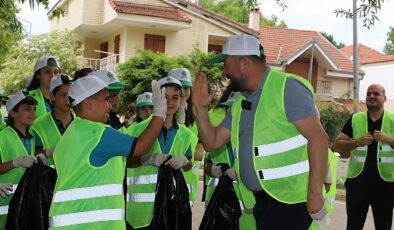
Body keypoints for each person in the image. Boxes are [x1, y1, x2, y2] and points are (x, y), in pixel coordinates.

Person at [192, 34, 329, 230]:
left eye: (226, 63)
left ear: (244, 63)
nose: (225, 71)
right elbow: (212, 142)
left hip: (289, 203)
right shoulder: (240, 101)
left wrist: (315, 193)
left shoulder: (287, 87)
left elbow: (319, 137)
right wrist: (200, 108)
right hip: (262, 203)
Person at [48, 75, 167, 229]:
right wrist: (159, 114)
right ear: (88, 103)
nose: (109, 106)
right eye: (105, 99)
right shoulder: (98, 134)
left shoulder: (72, 133)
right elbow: (140, 147)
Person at [125, 76, 194, 230]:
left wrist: (184, 161)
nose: (169, 102)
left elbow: (190, 164)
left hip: (172, 211)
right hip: (140, 215)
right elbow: (124, 162)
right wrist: (146, 159)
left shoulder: (185, 134)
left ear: (181, 100)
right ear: (156, 99)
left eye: (175, 97)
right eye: (164, 97)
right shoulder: (135, 130)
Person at [333, 84, 394, 230]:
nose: (371, 96)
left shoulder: (392, 120)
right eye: (368, 94)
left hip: (385, 184)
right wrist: (356, 142)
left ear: (384, 98)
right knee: (353, 225)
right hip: (358, 183)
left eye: (376, 94)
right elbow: (337, 145)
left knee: (383, 225)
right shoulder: (355, 119)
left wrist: (389, 140)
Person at [204, 91, 257, 229]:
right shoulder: (216, 138)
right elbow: (206, 164)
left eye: (235, 109)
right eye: (228, 109)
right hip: (218, 207)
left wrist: (243, 171)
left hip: (247, 213)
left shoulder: (254, 137)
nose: (231, 113)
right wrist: (212, 170)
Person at [0, 91, 46, 228]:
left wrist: (42, 157)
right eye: (27, 109)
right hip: (4, 204)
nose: (33, 113)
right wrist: (16, 162)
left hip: (22, 205)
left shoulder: (31, 136)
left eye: (34, 109)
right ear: (13, 113)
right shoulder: (3, 137)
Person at [168, 67, 202, 204]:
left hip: (187, 182)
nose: (184, 92)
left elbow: (200, 153)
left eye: (187, 88)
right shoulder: (160, 115)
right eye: (180, 87)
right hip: (165, 179)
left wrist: (186, 160)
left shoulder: (197, 117)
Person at [33, 74, 73, 168]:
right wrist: (47, 153)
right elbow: (32, 154)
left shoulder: (80, 121)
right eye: (63, 95)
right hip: (49, 179)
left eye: (70, 95)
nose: (68, 99)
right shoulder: (38, 125)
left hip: (76, 178)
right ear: (52, 96)